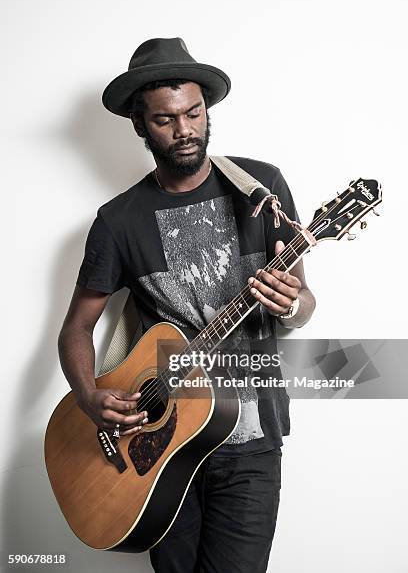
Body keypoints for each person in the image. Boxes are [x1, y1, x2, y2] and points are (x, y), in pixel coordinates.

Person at [58, 37, 316, 573]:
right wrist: (87, 398)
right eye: (165, 120)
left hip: (250, 439)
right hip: (160, 446)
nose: (184, 131)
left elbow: (304, 301)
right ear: (139, 125)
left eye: (194, 113)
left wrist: (291, 305)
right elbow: (76, 329)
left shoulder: (261, 188)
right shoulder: (118, 221)